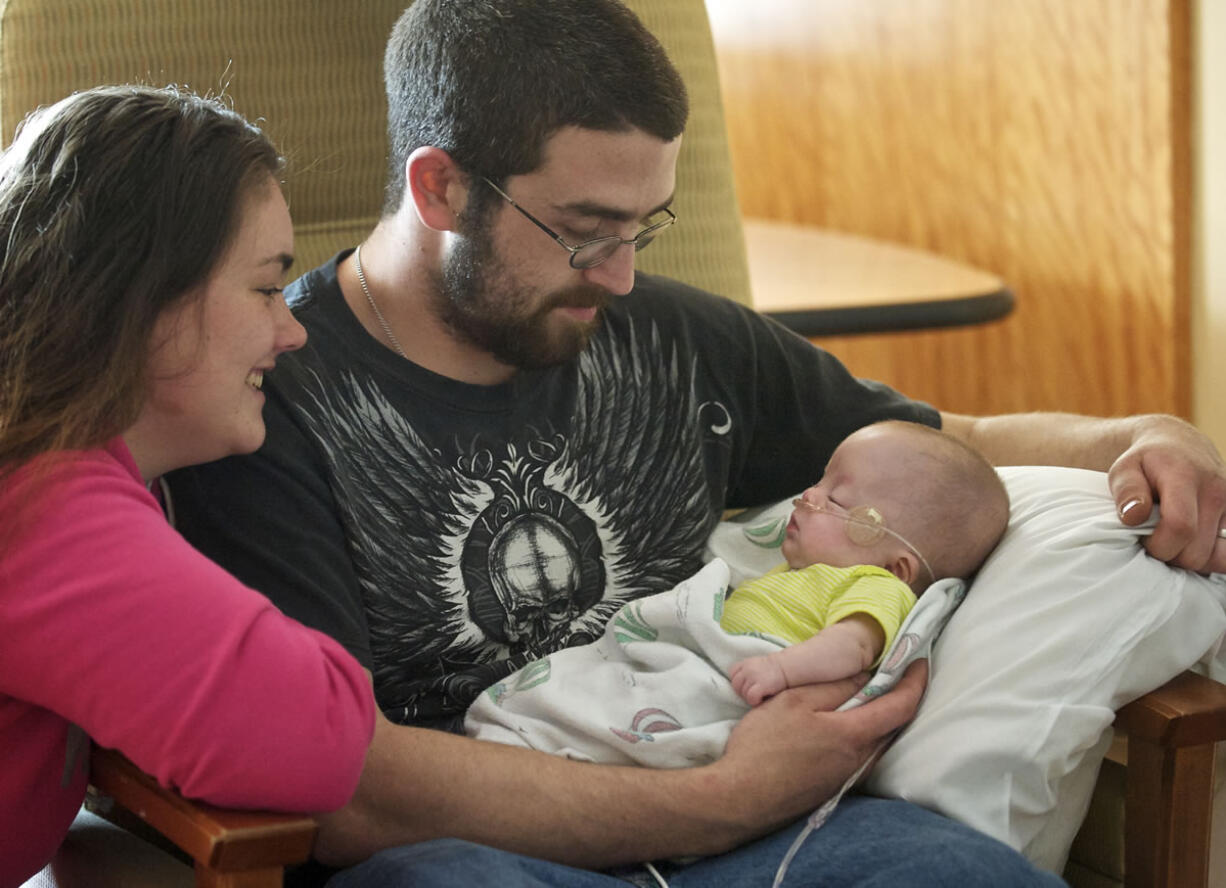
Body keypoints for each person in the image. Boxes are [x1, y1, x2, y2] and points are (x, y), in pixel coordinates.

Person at [164, 1, 1226, 885]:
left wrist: (1143, 430)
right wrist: (718, 799)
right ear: (439, 187)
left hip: (773, 817)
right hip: (484, 847)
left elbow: (953, 441)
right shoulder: (266, 402)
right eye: (584, 232)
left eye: (645, 227)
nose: (620, 276)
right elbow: (347, 792)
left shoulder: (669, 337)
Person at [0, 85, 377, 888]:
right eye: (268, 287)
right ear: (149, 299)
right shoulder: (42, 504)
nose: (294, 330)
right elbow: (321, 735)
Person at [465, 420, 1011, 769]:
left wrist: (782, 671)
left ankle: (545, 744)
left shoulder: (874, 585)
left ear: (898, 562)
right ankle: (532, 736)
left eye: (834, 498)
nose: (807, 496)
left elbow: (854, 647)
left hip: (739, 680)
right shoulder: (795, 574)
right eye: (819, 481)